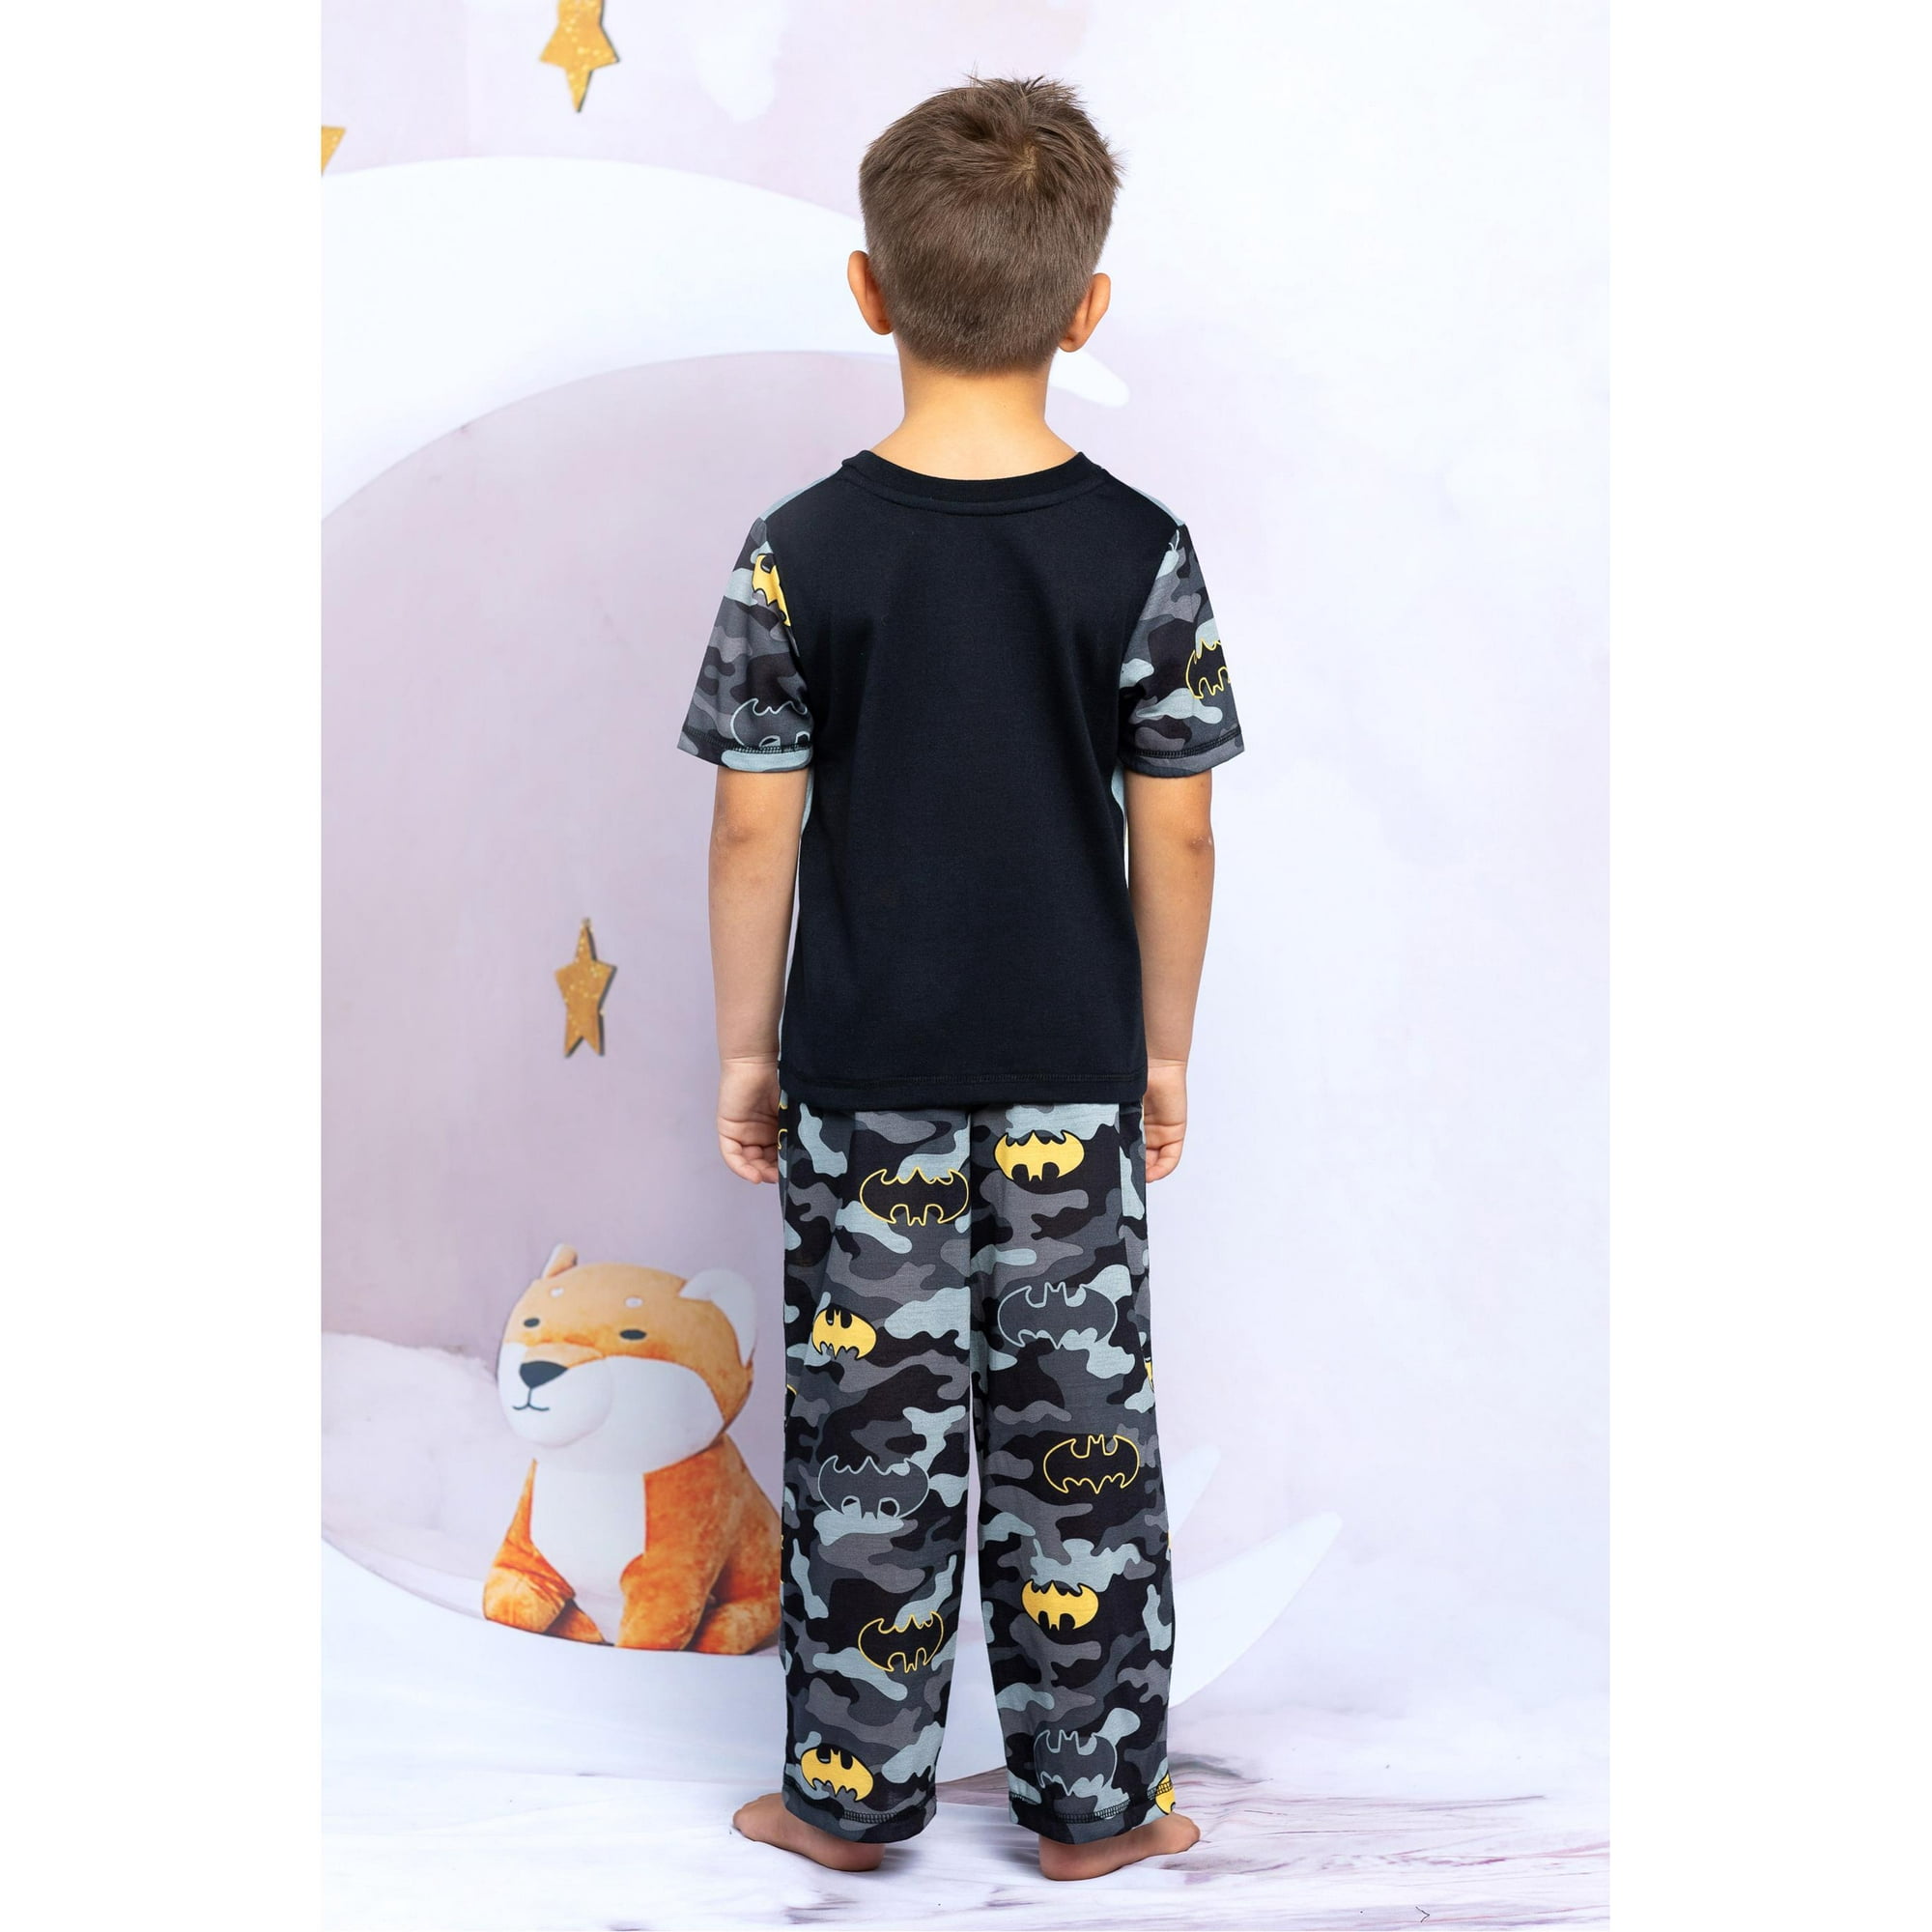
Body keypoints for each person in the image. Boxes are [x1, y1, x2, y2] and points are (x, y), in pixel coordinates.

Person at [675, 74, 1241, 1883]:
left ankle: (843, 1805)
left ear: (868, 290)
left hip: (865, 1088)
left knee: (869, 1446)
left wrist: (746, 1053)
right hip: (1075, 1076)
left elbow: (753, 828)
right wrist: (1163, 1056)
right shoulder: (1141, 550)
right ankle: (1099, 1812)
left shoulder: (798, 548)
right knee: (1085, 1452)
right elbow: (1179, 834)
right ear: (1088, 307)